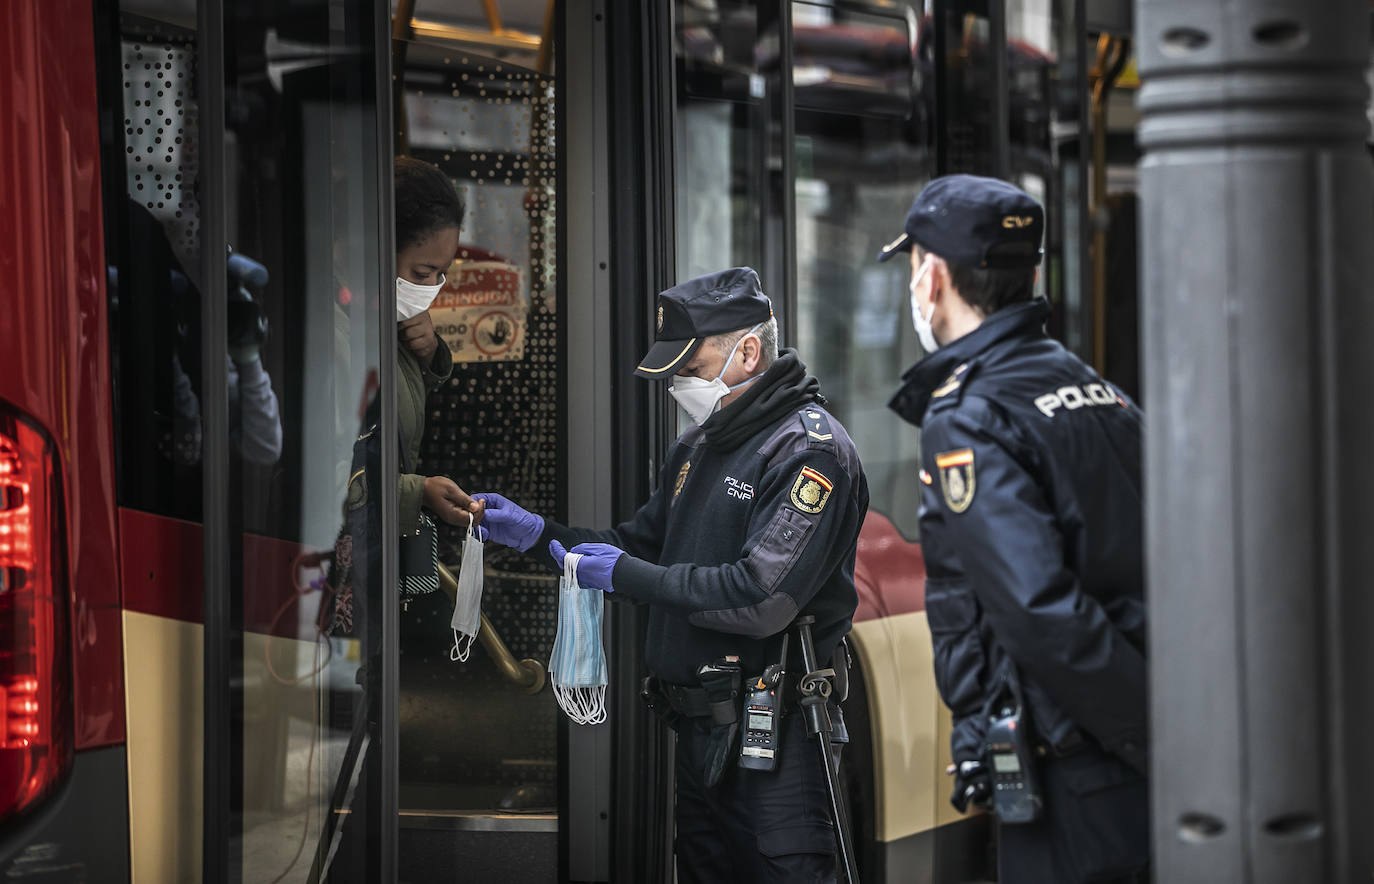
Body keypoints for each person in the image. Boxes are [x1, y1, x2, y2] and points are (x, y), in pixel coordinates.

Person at [475, 267, 869, 883]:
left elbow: (760, 598)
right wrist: (540, 536)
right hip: (700, 732)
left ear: (747, 351)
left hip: (777, 739)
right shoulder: (699, 445)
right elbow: (635, 548)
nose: (679, 382)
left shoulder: (808, 450)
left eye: (690, 365)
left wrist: (629, 576)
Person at [879, 174, 1148, 883]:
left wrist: (1152, 736)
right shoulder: (1095, 387)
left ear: (931, 276)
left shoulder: (969, 415)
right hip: (1117, 753)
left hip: (1081, 764)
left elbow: (1039, 611)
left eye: (911, 266)